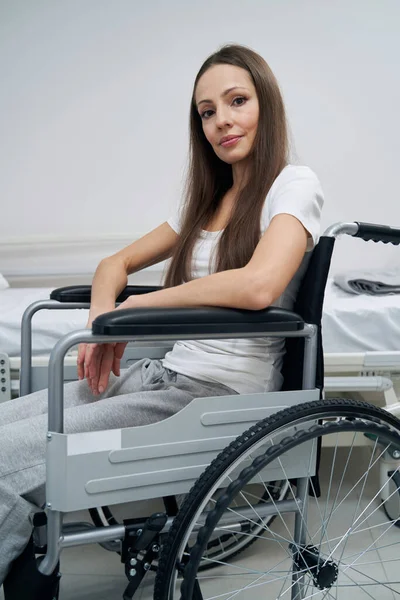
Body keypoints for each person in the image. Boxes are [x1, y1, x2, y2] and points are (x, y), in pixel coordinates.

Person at [0, 43, 324, 597]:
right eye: (206, 111)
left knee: (7, 462)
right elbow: (114, 264)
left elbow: (259, 284)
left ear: (265, 105)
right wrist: (104, 323)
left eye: (236, 101)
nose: (222, 120)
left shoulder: (293, 184)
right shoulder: (207, 201)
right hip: (163, 378)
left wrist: (141, 306)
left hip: (214, 396)